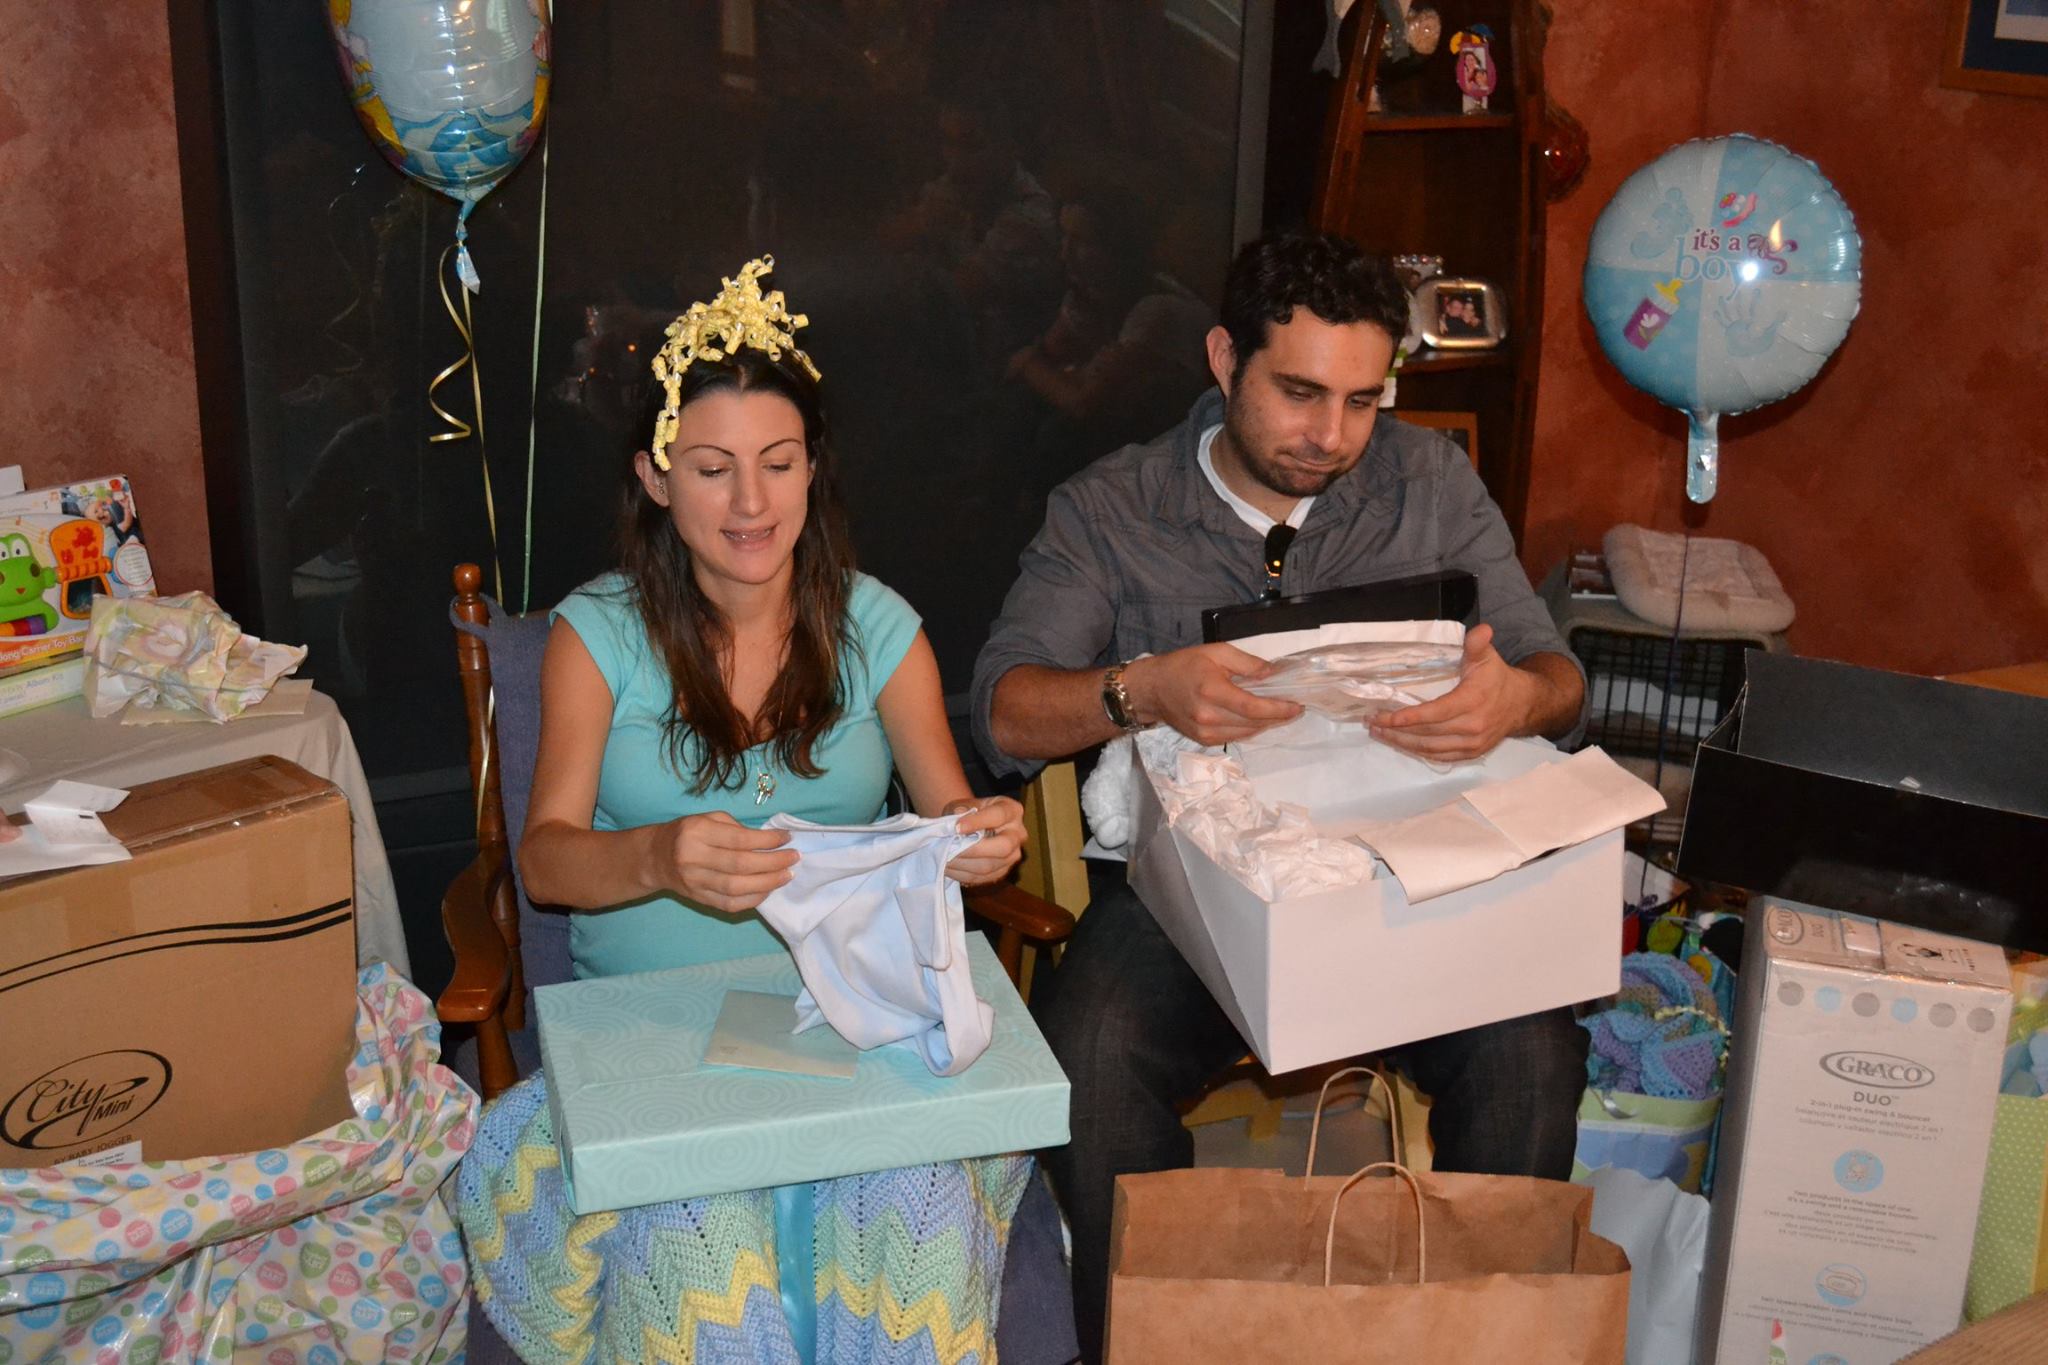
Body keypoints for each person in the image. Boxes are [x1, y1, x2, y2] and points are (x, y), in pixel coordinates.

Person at [970, 230, 1590, 1362]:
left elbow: (1559, 677)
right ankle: (1144, 1344)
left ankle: (1481, 1342)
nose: (1332, 437)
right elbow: (1004, 711)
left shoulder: (1428, 482)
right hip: (1196, 896)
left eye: (1363, 400)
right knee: (1094, 1055)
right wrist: (1141, 688)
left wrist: (1511, 701)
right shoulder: (1112, 508)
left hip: (1403, 871)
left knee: (1533, 1055)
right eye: (1299, 393)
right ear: (1224, 359)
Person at [458, 257, 1037, 1363]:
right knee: (697, 1241)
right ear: (654, 477)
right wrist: (658, 858)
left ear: (814, 467)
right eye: (711, 468)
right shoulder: (596, 636)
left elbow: (954, 816)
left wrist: (979, 842)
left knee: (915, 1218)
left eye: (778, 462)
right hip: (652, 1041)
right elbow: (545, 864)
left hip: (850, 1027)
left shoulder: (881, 629)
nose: (752, 503)